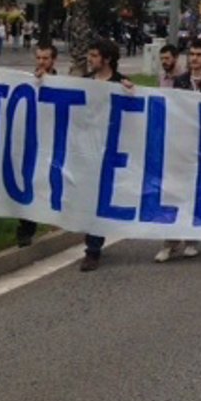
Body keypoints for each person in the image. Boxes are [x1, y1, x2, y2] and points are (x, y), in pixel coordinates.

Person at [156, 38, 201, 263]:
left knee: (198, 192)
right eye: (192, 54)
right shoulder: (180, 82)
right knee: (175, 191)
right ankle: (170, 241)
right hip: (182, 145)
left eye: (199, 55)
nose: (194, 59)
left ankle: (192, 239)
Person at [80, 38, 131, 272]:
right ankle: (92, 243)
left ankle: (93, 249)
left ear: (107, 59)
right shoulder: (84, 82)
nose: (89, 59)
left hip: (111, 152)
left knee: (101, 199)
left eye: (94, 55)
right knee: (89, 198)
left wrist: (132, 93)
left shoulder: (121, 84)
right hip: (87, 149)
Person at [16, 43, 59, 247]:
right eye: (39, 58)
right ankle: (26, 230)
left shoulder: (64, 84)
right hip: (32, 143)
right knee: (29, 184)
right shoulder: (27, 81)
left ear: (53, 60)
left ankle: (56, 218)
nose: (41, 62)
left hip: (54, 144)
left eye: (46, 58)